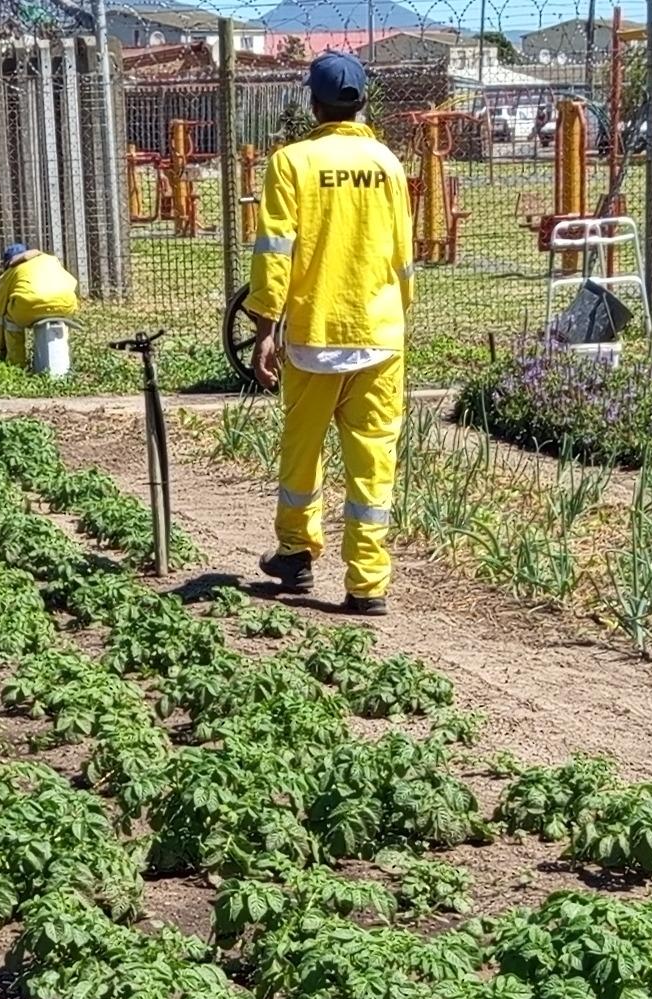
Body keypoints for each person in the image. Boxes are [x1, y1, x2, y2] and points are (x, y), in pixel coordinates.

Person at [246, 51, 415, 617]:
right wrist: (397, 315)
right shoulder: (388, 164)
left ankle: (296, 553)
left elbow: (274, 252)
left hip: (315, 335)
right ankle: (367, 585)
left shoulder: (291, 162)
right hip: (381, 334)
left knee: (303, 448)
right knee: (373, 461)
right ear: (362, 101)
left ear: (313, 104)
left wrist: (265, 327)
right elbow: (402, 254)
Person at [0, 243, 79, 371]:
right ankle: (64, 366)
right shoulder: (50, 259)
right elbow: (72, 281)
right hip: (66, 303)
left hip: (30, 305)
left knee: (10, 321)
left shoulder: (10, 271)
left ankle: (16, 367)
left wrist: (0, 346)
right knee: (59, 323)